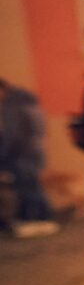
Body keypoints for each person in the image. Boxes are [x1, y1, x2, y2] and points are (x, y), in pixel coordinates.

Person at [0, 77, 58, 236]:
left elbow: (13, 136)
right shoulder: (28, 101)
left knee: (26, 188)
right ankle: (44, 219)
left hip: (21, 154)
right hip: (35, 151)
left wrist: (4, 157)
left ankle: (35, 221)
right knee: (34, 186)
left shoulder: (11, 106)